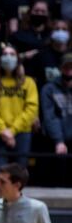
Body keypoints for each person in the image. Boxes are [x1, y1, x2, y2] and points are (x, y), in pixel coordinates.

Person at [0, 45, 39, 182]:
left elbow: (32, 109)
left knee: (19, 177)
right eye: (5, 54)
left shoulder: (29, 82)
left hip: (21, 133)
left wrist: (12, 131)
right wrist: (3, 130)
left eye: (12, 54)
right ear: (0, 59)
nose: (8, 57)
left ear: (18, 59)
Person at [40, 53, 72, 185]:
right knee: (57, 179)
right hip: (56, 139)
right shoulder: (49, 88)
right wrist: (58, 141)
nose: (70, 71)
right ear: (60, 69)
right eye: (66, 67)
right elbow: (50, 116)